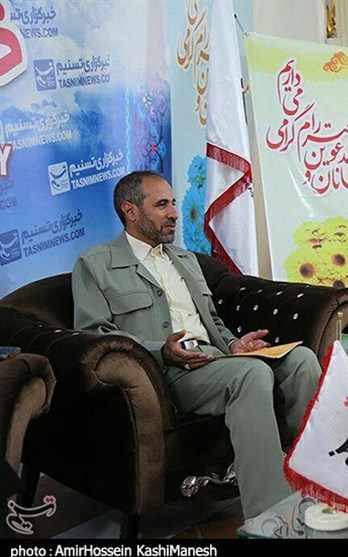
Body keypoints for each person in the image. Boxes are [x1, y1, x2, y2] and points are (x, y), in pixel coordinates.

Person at [72, 170, 321, 534]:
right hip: (164, 371)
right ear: (130, 211)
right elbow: (93, 334)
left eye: (174, 204)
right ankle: (270, 519)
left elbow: (211, 320)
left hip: (217, 358)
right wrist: (162, 351)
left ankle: (320, 486)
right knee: (251, 375)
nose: (174, 213)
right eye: (162, 205)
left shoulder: (185, 259)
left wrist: (234, 345)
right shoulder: (96, 264)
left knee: (302, 361)